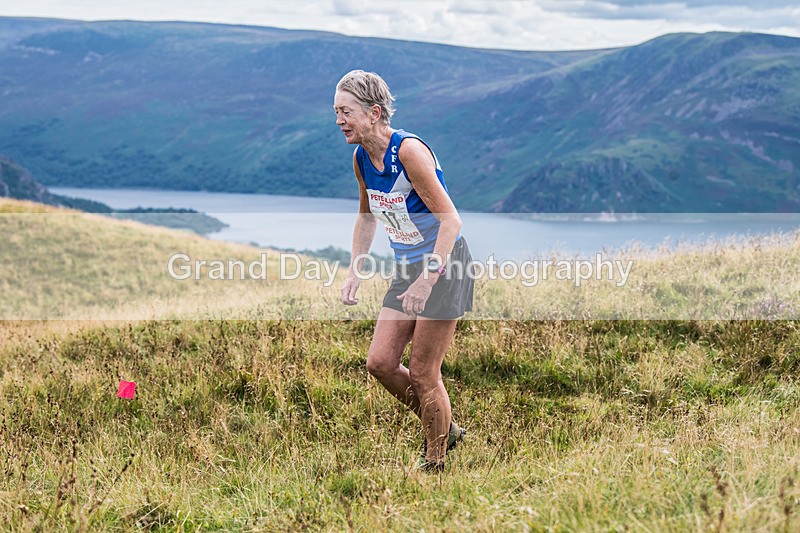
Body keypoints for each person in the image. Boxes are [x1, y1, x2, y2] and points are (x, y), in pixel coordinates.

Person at [334, 70, 474, 472]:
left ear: (374, 112)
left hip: (445, 266)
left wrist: (428, 279)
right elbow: (366, 217)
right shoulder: (362, 157)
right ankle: (445, 427)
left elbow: (452, 221)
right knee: (379, 362)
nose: (339, 120)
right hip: (407, 267)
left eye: (346, 111)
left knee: (424, 371)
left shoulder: (408, 152)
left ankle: (435, 462)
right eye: (337, 111)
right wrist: (354, 271)